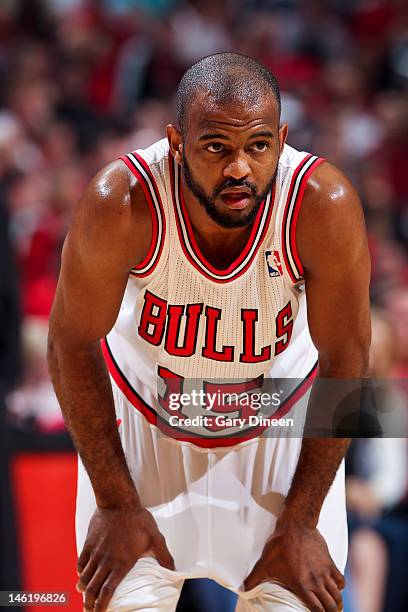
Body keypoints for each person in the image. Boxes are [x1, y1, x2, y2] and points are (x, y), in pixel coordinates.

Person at [47, 53, 371, 612]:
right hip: (146, 425)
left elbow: (348, 359)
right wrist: (116, 505)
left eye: (259, 146)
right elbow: (69, 344)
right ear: (177, 142)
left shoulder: (322, 205)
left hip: (274, 429)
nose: (240, 168)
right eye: (217, 147)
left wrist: (301, 520)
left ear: (282, 138)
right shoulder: (121, 201)